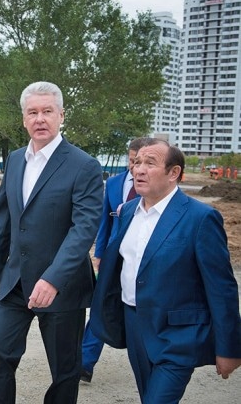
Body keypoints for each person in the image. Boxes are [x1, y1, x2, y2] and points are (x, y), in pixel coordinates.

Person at [0, 81, 103, 403]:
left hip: (62, 287)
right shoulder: (15, 160)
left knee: (65, 371)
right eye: (32, 112)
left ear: (61, 115)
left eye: (47, 111)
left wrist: (53, 278)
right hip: (15, 282)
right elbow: (3, 220)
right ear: (24, 119)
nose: (40, 119)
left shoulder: (84, 165)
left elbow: (83, 228)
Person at [90, 138, 241, 403]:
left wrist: (229, 348)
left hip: (178, 335)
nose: (138, 170)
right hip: (135, 325)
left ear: (174, 173)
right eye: (137, 163)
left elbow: (222, 288)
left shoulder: (200, 218)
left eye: (150, 163)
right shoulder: (128, 212)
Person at [80, 137, 150, 383]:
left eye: (141, 161)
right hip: (113, 257)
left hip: (144, 258)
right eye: (132, 160)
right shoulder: (113, 183)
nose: (135, 167)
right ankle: (85, 363)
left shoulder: (155, 185)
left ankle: (149, 360)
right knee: (101, 306)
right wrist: (99, 254)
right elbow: (105, 222)